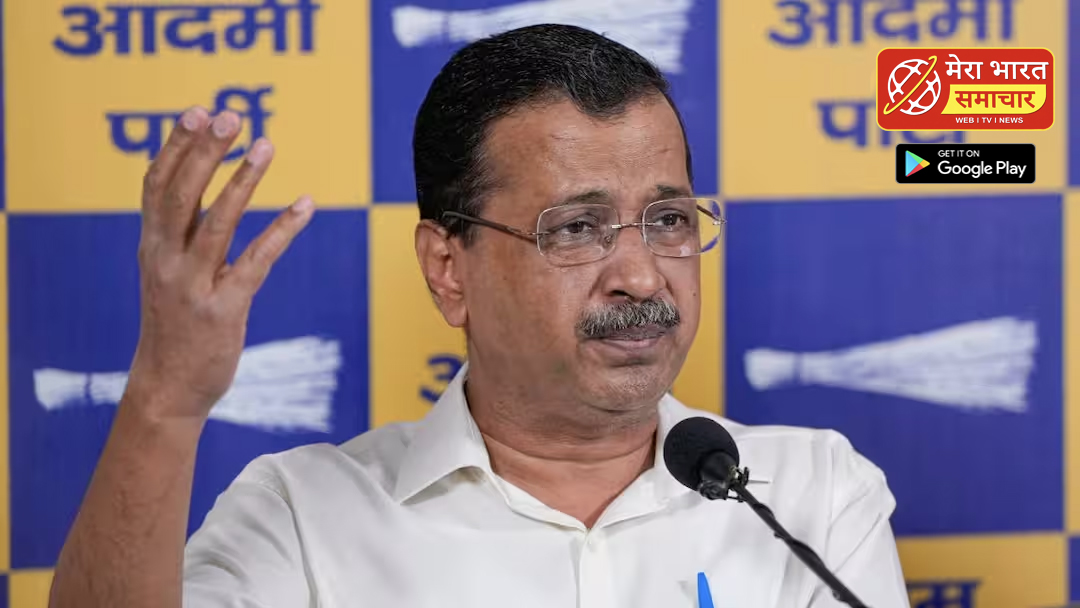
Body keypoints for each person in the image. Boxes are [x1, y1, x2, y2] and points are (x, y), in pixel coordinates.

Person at [48, 24, 910, 608]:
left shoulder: (811, 494)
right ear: (447, 268)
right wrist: (166, 400)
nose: (642, 274)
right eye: (577, 228)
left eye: (670, 219)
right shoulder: (304, 518)